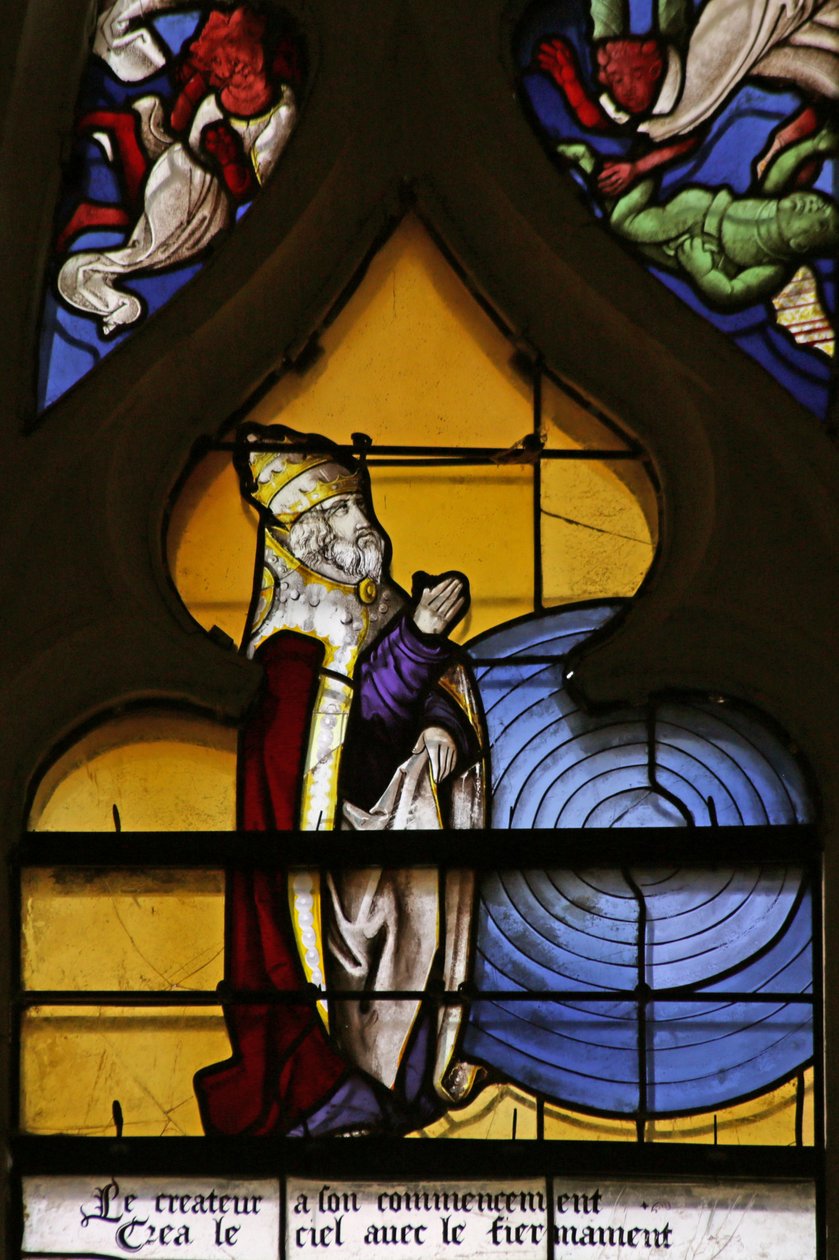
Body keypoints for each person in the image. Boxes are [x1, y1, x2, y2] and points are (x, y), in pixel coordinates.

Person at [194, 424, 485, 1136]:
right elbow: (349, 756)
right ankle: (329, 1090)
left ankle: (405, 1077)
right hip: (323, 891)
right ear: (309, 536)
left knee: (420, 925)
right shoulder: (289, 653)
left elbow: (430, 695)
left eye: (360, 504)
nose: (366, 523)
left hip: (394, 863)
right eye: (345, 510)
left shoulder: (383, 606)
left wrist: (440, 723)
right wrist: (417, 641)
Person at [56, 2, 299, 335]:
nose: (236, 67)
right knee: (139, 237)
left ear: (263, 46)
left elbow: (250, 188)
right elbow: (177, 124)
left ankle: (113, 295)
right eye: (224, 62)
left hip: (203, 211)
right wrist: (193, 86)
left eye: (241, 56)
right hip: (173, 172)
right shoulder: (213, 98)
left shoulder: (280, 112)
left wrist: (229, 159)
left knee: (142, 252)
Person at [537, 0, 838, 195]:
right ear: (651, 65)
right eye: (612, 76)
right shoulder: (711, 56)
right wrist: (638, 167)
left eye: (611, 76)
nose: (602, 71)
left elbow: (607, 119)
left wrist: (572, 84)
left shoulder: (663, 98)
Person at [556, 120, 838, 309]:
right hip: (696, 208)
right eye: (822, 204)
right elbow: (784, 164)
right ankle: (638, 170)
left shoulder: (772, 269)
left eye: (821, 221)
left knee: (630, 228)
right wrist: (814, 145)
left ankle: (590, 164)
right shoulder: (770, 199)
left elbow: (731, 292)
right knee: (624, 224)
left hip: (693, 250)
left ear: (800, 244)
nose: (816, 206)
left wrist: (703, 271)